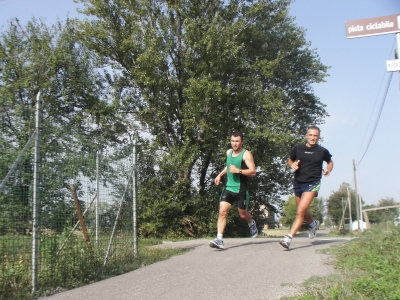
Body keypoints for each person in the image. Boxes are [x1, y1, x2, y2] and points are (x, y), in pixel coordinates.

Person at [280, 126, 333, 249]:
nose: (313, 138)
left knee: (300, 212)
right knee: (301, 210)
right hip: (298, 182)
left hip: (313, 183)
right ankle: (313, 223)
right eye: (311, 135)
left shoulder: (322, 151)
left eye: (315, 136)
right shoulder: (299, 148)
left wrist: (328, 170)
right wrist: (291, 165)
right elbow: (290, 159)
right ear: (306, 135)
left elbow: (330, 162)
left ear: (318, 137)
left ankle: (288, 238)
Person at [209, 131, 258, 249]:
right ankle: (219, 239)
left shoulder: (246, 154)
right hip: (229, 188)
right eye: (232, 141)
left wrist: (239, 170)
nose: (234, 144)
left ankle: (251, 223)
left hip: (241, 189)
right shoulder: (228, 152)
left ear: (242, 142)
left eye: (237, 141)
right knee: (222, 212)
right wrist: (219, 175)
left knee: (243, 214)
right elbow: (228, 166)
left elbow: (253, 172)